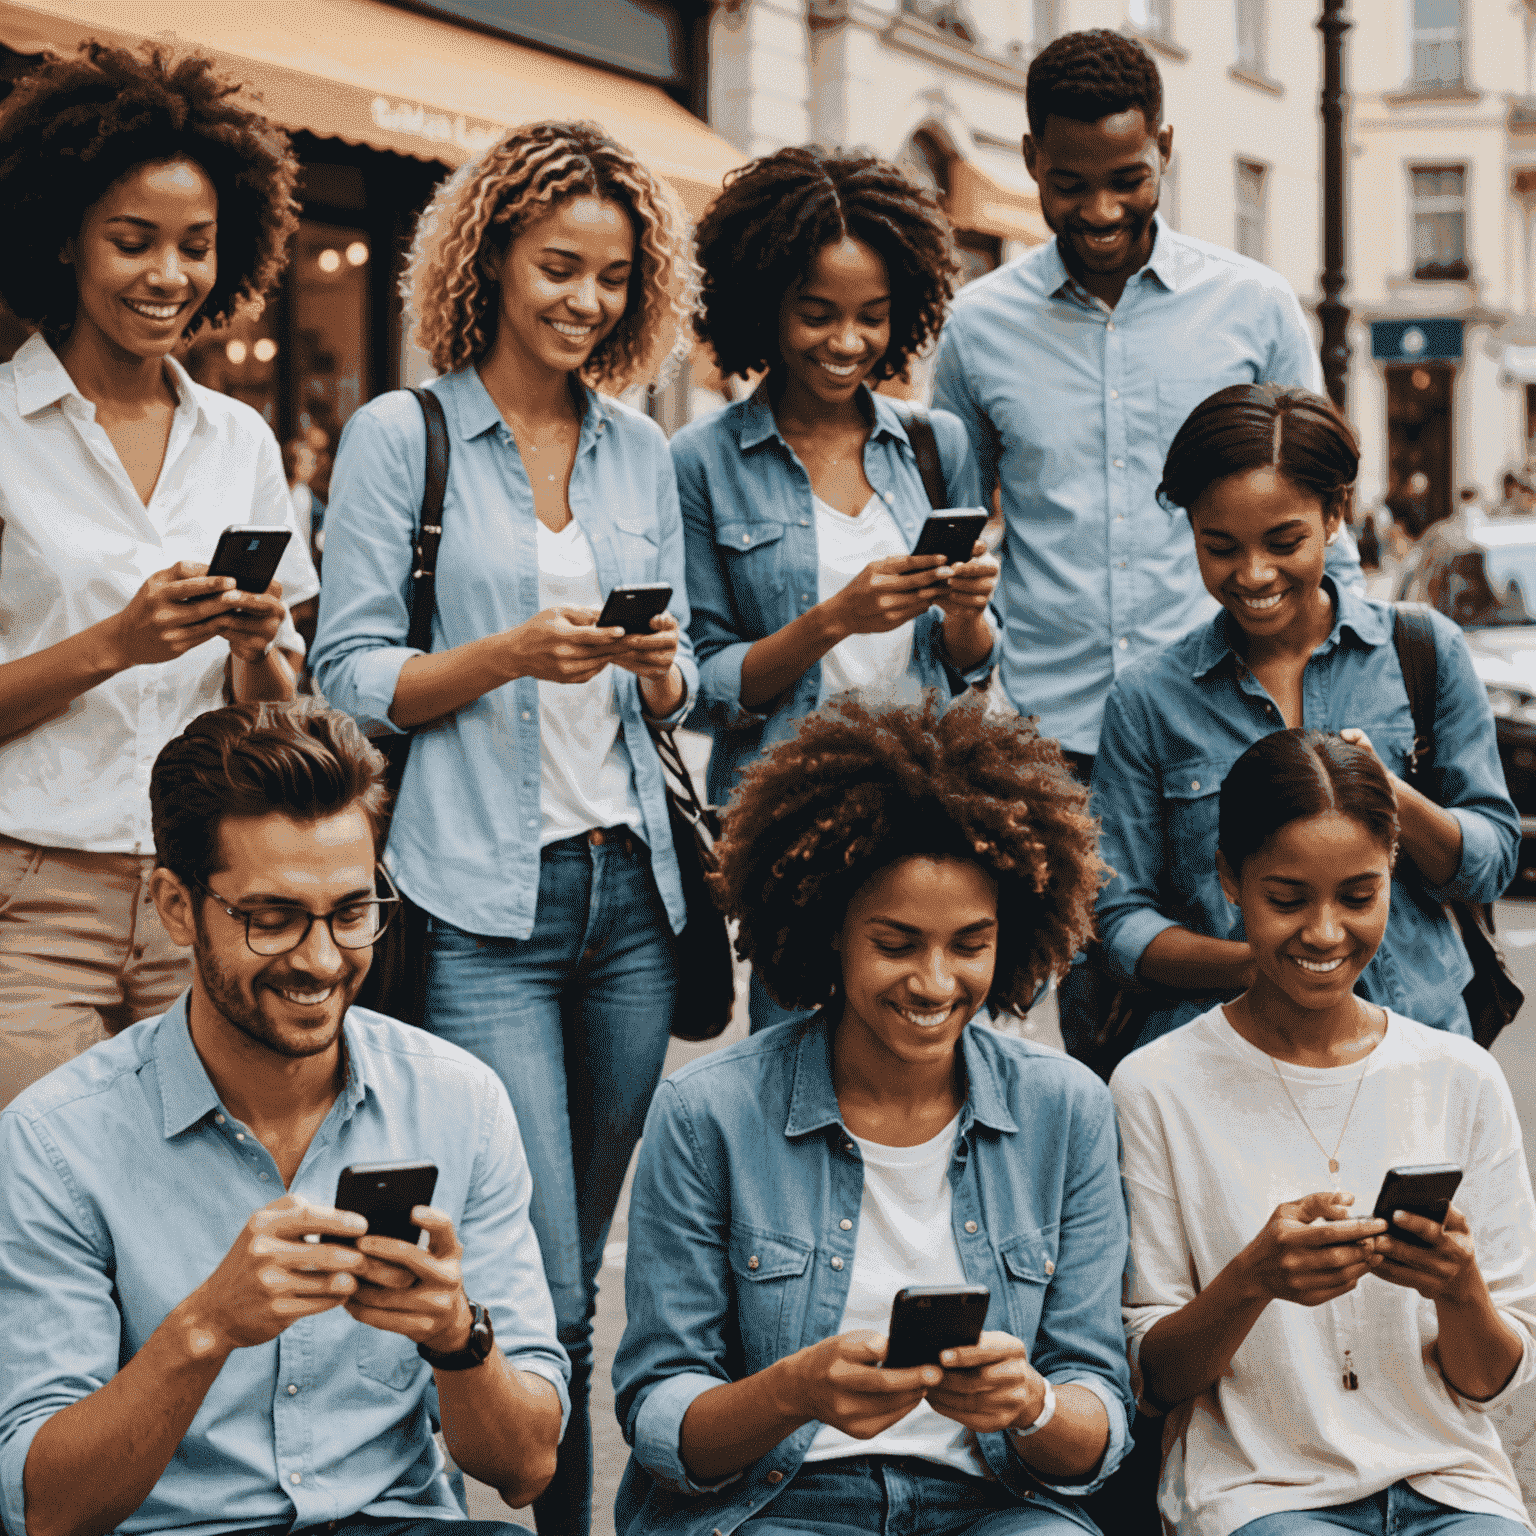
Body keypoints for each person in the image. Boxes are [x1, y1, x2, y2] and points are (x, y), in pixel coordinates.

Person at [310, 119, 698, 1536]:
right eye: (557, 268)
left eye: (609, 276)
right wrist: (503, 657)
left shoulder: (641, 450)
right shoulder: (399, 438)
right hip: (480, 906)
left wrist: (665, 668)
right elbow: (344, 679)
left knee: (574, 1283)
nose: (584, 302)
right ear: (490, 260)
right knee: (516, 1257)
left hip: (632, 903)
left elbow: (688, 665)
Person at [0, 700, 569, 1536]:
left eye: (349, 911)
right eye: (271, 920)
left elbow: (525, 1470)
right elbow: (47, 1510)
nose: (322, 960)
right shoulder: (57, 1140)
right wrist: (203, 1328)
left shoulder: (460, 1100)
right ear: (174, 907)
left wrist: (457, 1336)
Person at [613, 692, 1135, 1536]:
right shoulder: (707, 1112)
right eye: (895, 944)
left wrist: (1033, 1404)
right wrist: (793, 1391)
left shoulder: (1066, 1110)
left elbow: (1097, 1419)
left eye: (970, 944)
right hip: (778, 1505)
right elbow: (663, 1422)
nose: (934, 984)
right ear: (828, 930)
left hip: (998, 1505)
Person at [1112, 728, 1536, 1536]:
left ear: (1392, 875)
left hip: (1451, 1483)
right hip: (1262, 1493)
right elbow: (1153, 1379)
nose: (1325, 933)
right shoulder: (1155, 1088)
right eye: (1287, 897)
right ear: (1230, 879)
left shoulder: (1460, 1078)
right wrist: (1252, 1280)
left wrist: (1458, 1287)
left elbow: (1488, 1383)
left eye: (1357, 895)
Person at [0, 43, 319, 1108]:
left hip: (207, 899)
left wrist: (260, 651)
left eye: (195, 247)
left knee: (195, 1208)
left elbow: (272, 711)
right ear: (63, 241)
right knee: (34, 1225)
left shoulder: (240, 444)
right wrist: (117, 643)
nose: (168, 277)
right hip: (30, 899)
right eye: (132, 242)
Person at [932, 28, 1361, 781]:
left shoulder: (1254, 306)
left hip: (1233, 727)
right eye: (1069, 184)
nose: (1100, 210)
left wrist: (1343, 695)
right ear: (1031, 159)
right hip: (1048, 744)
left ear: (1164, 146)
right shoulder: (976, 327)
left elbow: (1327, 525)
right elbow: (955, 541)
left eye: (1128, 178)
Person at [674, 144, 1000, 1032]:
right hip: (793, 824)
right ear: (763, 306)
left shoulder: (938, 446)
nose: (847, 344)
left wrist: (969, 614)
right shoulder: (700, 463)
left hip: (928, 816)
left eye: (873, 317)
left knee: (926, 1068)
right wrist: (831, 621)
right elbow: (702, 687)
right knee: (792, 1075)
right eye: (817, 315)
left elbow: (967, 672)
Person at [1089, 383, 1518, 1050]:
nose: (1254, 574)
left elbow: (1492, 859)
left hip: (1416, 1047)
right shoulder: (1148, 700)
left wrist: (1392, 797)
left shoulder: (1424, 652)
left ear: (1335, 514)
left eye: (1284, 541)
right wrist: (1259, 965)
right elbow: (1119, 919)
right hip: (1224, 1062)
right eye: (1220, 546)